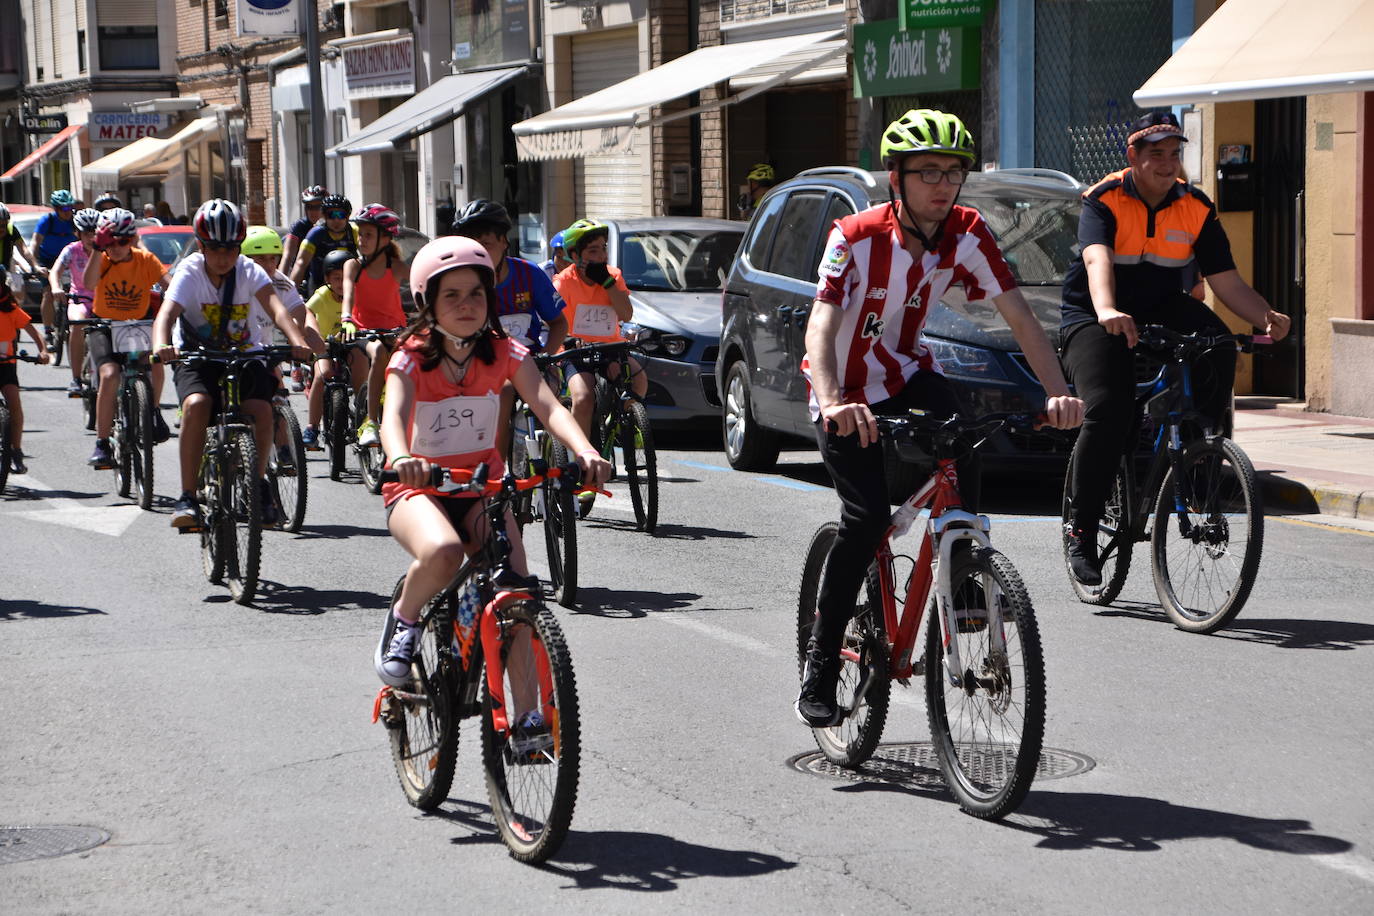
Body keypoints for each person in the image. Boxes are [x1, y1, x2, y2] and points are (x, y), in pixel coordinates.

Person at [795, 108, 1085, 727]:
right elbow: (820, 325)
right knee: (865, 516)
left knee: (964, 442)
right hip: (843, 389)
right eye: (927, 172)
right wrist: (832, 399)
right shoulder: (855, 235)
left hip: (904, 374)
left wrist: (1058, 391)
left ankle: (965, 575)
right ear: (895, 178)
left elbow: (1021, 318)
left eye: (953, 172)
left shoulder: (967, 230)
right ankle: (820, 667)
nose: (942, 185)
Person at [1059, 110, 1291, 586]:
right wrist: (1105, 309)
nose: (1167, 164)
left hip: (1162, 306)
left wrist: (1265, 315)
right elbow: (1095, 257)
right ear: (1134, 156)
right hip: (1094, 312)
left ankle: (1202, 449)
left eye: (1174, 154)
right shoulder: (1104, 199)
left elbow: (1226, 282)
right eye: (1156, 154)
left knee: (1220, 345)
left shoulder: (1195, 207)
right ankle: (1080, 530)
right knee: (1108, 408)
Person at [373, 235, 610, 686]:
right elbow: (393, 417)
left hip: (483, 488)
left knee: (519, 597)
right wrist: (401, 456)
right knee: (443, 552)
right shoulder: (411, 356)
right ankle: (404, 620)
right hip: (418, 489)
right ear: (428, 301)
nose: (467, 304)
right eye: (452, 295)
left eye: (477, 293)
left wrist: (587, 451)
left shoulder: (507, 351)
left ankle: (528, 723)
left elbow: (550, 407)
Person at [152, 199, 312, 529]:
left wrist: (297, 340)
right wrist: (162, 344)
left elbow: (277, 309)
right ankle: (188, 496)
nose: (223, 257)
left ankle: (255, 486)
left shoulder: (249, 270)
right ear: (201, 246)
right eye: (215, 249)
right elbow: (166, 315)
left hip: (245, 354)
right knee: (197, 405)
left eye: (231, 249)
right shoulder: (190, 271)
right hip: (199, 357)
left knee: (263, 410)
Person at [453, 199, 568, 452]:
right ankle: (498, 470)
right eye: (471, 245)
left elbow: (559, 323)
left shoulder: (529, 274)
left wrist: (547, 355)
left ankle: (559, 460)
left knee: (550, 396)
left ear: (504, 242)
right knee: (503, 390)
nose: (479, 252)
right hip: (481, 364)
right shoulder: (459, 281)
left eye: (486, 244)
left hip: (532, 361)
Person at [552, 218, 647, 515]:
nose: (601, 256)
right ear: (576, 255)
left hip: (609, 347)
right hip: (576, 351)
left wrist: (608, 284)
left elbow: (625, 311)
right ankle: (580, 456)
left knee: (639, 377)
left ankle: (627, 424)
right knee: (583, 397)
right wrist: (568, 339)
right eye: (593, 251)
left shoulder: (613, 276)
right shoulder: (563, 281)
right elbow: (555, 323)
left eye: (603, 249)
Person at [81, 207, 174, 469]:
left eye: (123, 241)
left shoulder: (145, 259)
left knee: (156, 358)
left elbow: (170, 284)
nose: (117, 247)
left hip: (138, 323)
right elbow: (88, 284)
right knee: (110, 374)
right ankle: (102, 443)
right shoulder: (102, 259)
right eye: (111, 241)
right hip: (106, 326)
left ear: (132, 239)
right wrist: (98, 251)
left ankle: (153, 411)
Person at [342, 203, 409, 448]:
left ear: (385, 237)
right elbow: (348, 294)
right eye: (360, 234)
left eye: (368, 234)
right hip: (362, 331)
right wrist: (347, 319)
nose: (361, 240)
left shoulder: (398, 267)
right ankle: (370, 422)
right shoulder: (354, 266)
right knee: (378, 352)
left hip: (395, 331)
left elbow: (424, 288)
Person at [300, 248, 352, 449]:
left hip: (350, 344)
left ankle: (365, 414)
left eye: (345, 278)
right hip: (325, 346)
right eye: (336, 278)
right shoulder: (322, 295)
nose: (341, 283)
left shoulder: (357, 294)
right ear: (327, 279)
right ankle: (312, 426)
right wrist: (313, 334)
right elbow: (306, 310)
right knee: (322, 375)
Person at [0, 281, 51, 474]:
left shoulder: (11, 309)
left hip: (6, 367)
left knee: (14, 403)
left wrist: (44, 352)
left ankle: (16, 452)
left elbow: (34, 332)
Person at [49, 207, 101, 395]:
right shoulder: (71, 250)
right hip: (80, 299)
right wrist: (55, 287)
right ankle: (76, 378)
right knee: (77, 325)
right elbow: (55, 271)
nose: (92, 237)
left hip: (104, 301)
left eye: (95, 232)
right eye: (87, 233)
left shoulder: (107, 250)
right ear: (77, 233)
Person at [31, 189, 79, 345]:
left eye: (70, 208)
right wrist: (35, 265)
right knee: (48, 294)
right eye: (64, 209)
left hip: (68, 259)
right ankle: (48, 331)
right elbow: (35, 243)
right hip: (47, 260)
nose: (68, 212)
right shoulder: (47, 221)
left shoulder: (74, 221)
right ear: (56, 209)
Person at [288, 193, 357, 295]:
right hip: (319, 284)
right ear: (324, 216)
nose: (336, 220)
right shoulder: (316, 234)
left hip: (348, 282)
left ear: (347, 216)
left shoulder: (354, 232)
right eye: (331, 215)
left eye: (341, 215)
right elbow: (300, 263)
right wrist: (290, 294)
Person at [282, 185, 327, 277]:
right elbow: (287, 256)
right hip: (303, 276)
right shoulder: (299, 226)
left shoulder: (333, 226)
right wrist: (280, 282)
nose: (313, 211)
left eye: (317, 207)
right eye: (309, 207)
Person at [1, 202, 39, 294]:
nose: (1, 229)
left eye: (3, 225)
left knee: (18, 291)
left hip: (8, 268)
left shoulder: (11, 230)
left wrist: (35, 266)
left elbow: (24, 250)